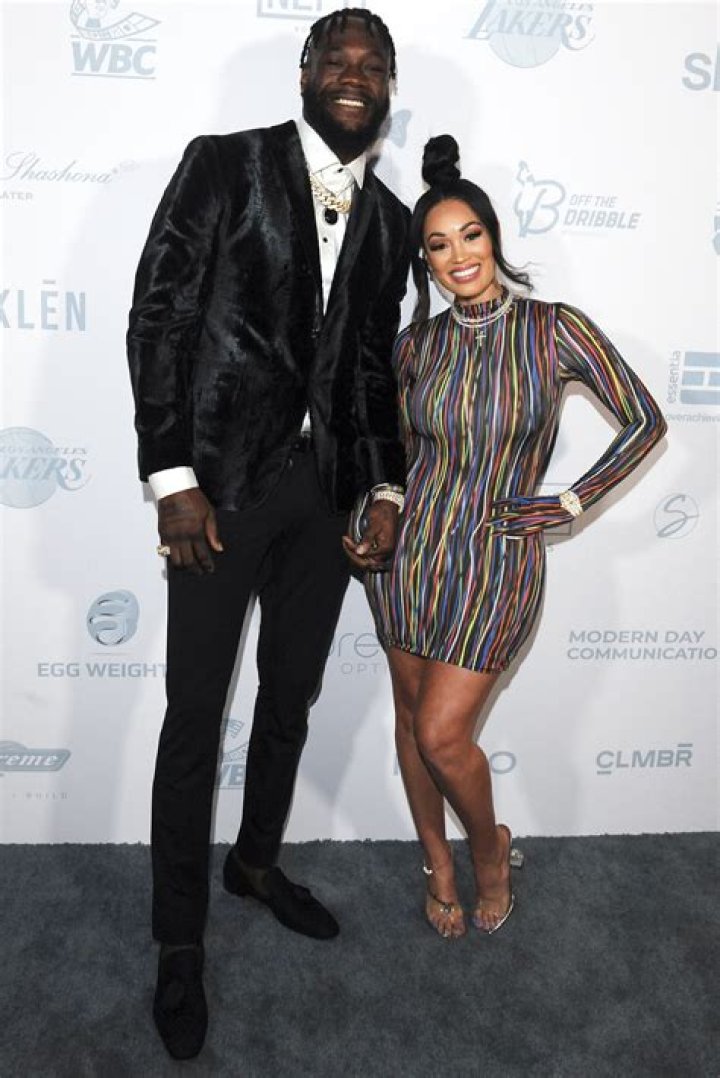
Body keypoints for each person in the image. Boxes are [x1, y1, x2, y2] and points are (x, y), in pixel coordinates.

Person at [126, 9, 409, 1059]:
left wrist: (383, 490)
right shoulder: (225, 164)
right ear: (304, 72)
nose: (353, 76)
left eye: (372, 66)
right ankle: (178, 936)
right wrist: (173, 476)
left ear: (388, 89)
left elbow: (371, 370)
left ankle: (254, 863)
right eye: (337, 60)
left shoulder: (390, 222)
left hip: (323, 501)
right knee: (195, 713)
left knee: (290, 695)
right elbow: (159, 316)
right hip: (218, 495)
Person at [347, 134, 666, 941]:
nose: (459, 256)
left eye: (471, 236)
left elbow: (644, 419)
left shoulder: (554, 330)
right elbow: (397, 458)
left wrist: (571, 502)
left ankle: (488, 849)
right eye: (438, 245)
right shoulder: (417, 346)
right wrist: (376, 510)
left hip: (497, 558)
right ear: (424, 262)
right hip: (411, 561)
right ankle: (437, 863)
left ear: (494, 238)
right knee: (410, 720)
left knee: (441, 733)